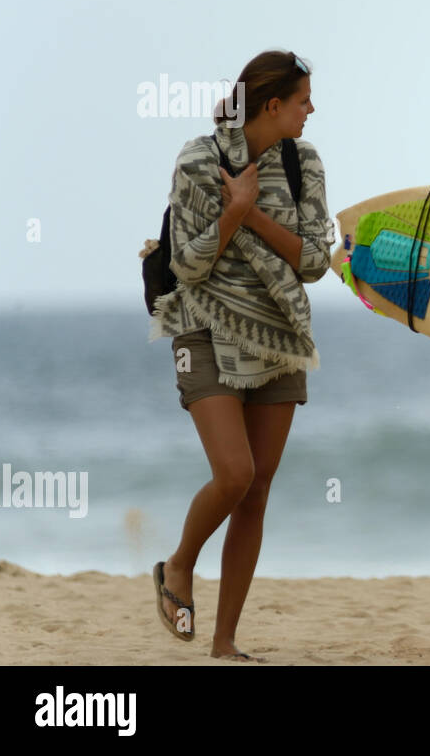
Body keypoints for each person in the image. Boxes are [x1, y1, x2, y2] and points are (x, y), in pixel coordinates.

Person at [147, 51, 334, 660]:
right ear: (273, 105)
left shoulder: (304, 164)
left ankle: (225, 643)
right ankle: (178, 566)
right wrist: (231, 214)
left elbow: (313, 263)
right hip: (203, 326)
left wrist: (250, 211)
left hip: (279, 336)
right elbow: (187, 264)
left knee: (257, 493)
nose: (313, 109)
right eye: (305, 99)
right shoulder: (199, 160)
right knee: (236, 473)